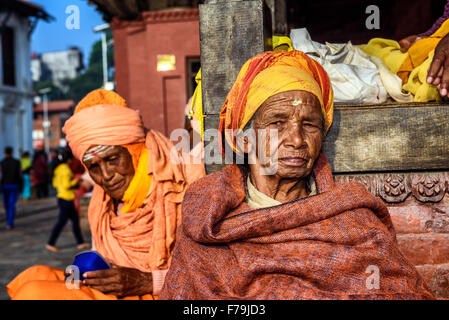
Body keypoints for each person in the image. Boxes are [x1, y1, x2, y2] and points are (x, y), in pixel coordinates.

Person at [160, 50, 435, 300]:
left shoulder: (356, 224)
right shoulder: (207, 219)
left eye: (310, 124)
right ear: (245, 141)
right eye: (277, 123)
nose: (296, 139)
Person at [7, 89, 204, 300]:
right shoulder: (101, 201)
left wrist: (149, 281)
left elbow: (217, 274)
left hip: (163, 293)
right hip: (116, 290)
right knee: (34, 275)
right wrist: (85, 277)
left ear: (136, 150)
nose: (106, 176)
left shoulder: (187, 180)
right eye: (94, 167)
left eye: (113, 159)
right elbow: (104, 260)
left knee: (34, 294)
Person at [45, 149, 90, 253]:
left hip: (62, 197)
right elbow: (67, 185)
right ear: (68, 159)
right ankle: (51, 243)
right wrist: (76, 180)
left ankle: (80, 242)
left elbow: (55, 184)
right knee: (61, 222)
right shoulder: (66, 169)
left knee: (75, 221)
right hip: (67, 199)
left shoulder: (58, 169)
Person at [1, 146, 22, 230]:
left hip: (4, 186)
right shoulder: (16, 162)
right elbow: (20, 175)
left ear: (5, 153)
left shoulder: (2, 163)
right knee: (11, 205)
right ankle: (10, 223)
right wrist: (21, 186)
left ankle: (9, 221)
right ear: (12, 152)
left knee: (7, 205)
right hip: (14, 185)